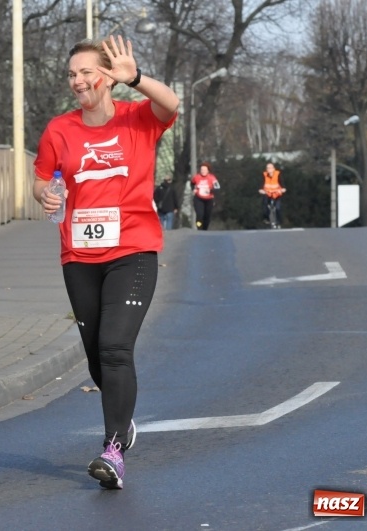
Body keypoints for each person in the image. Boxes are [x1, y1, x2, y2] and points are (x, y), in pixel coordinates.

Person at [33, 36, 179, 490]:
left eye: (86, 72)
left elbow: (172, 103)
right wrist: (47, 194)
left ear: (107, 77)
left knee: (116, 346)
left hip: (133, 249)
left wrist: (135, 77)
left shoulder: (139, 119)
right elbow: (41, 181)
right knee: (97, 351)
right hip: (79, 254)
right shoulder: (60, 129)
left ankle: (113, 448)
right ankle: (124, 419)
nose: (77, 81)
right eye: (72, 74)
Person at [190, 162, 220, 230]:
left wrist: (210, 191)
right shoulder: (197, 177)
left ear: (208, 170)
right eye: (201, 170)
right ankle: (199, 228)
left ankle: (205, 229)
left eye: (204, 170)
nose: (203, 171)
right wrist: (193, 189)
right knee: (199, 215)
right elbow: (192, 183)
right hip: (198, 199)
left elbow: (217, 188)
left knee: (207, 216)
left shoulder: (212, 178)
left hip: (209, 199)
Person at [259, 162, 286, 227]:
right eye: (268, 168)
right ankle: (266, 218)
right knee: (264, 205)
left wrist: (283, 189)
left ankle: (279, 222)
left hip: (276, 194)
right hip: (267, 194)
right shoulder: (264, 175)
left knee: (278, 208)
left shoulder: (278, 174)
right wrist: (261, 190)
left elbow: (282, 183)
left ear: (274, 169)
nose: (269, 169)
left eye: (270, 168)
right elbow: (261, 184)